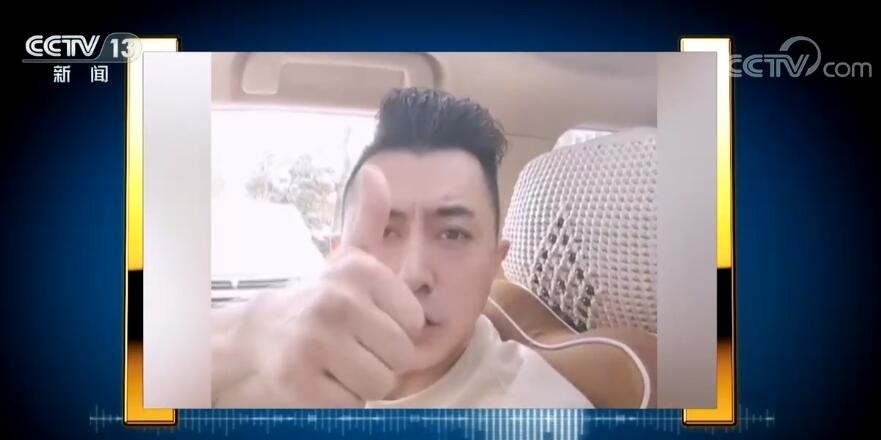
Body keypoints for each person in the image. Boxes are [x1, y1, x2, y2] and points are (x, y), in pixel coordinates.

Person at [211, 87, 636, 408]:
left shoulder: (539, 412)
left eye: (453, 234)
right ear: (338, 257)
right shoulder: (273, 361)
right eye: (385, 231)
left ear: (495, 263)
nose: (413, 275)